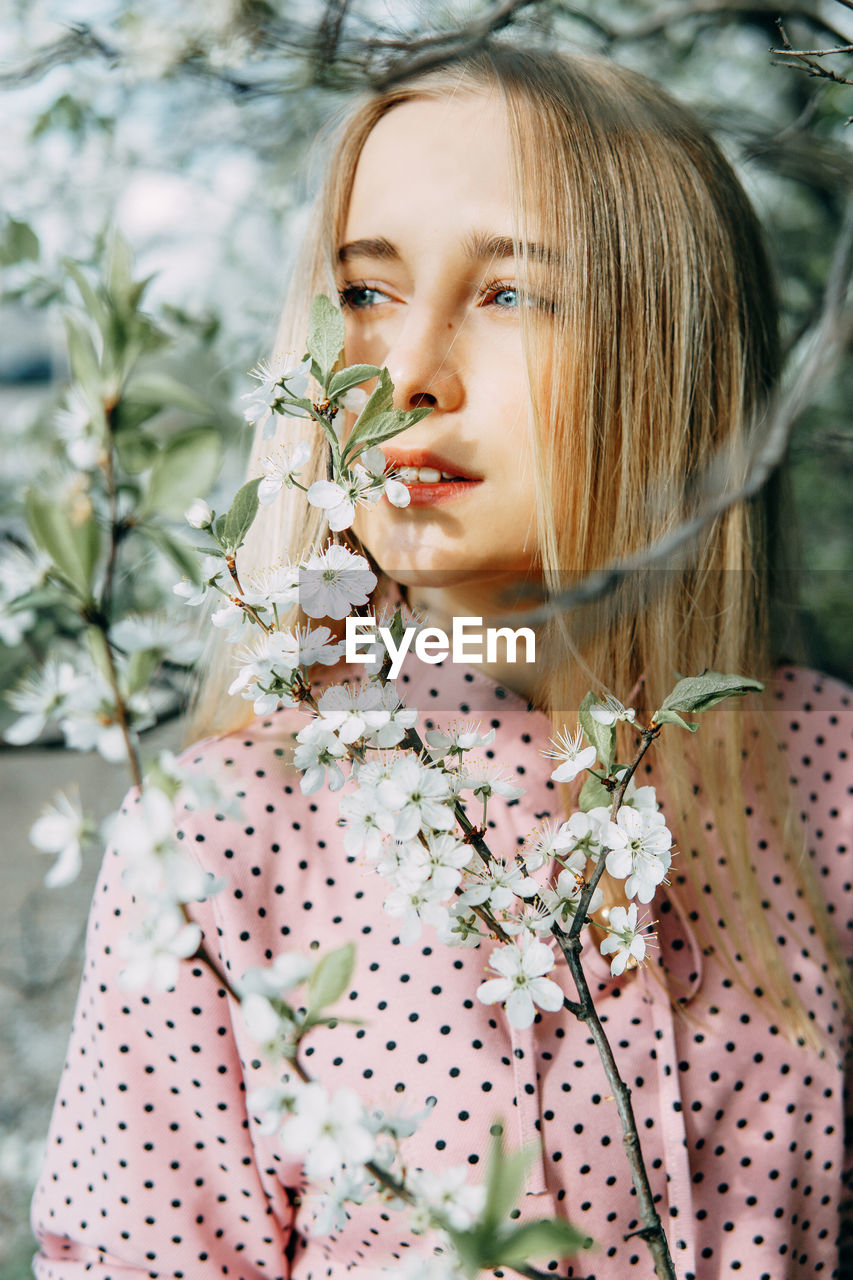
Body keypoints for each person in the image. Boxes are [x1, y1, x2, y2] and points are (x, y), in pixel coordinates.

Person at [31, 44, 853, 1280]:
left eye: (510, 294)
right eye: (364, 294)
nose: (403, 376)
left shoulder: (823, 777)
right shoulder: (224, 837)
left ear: (672, 354)